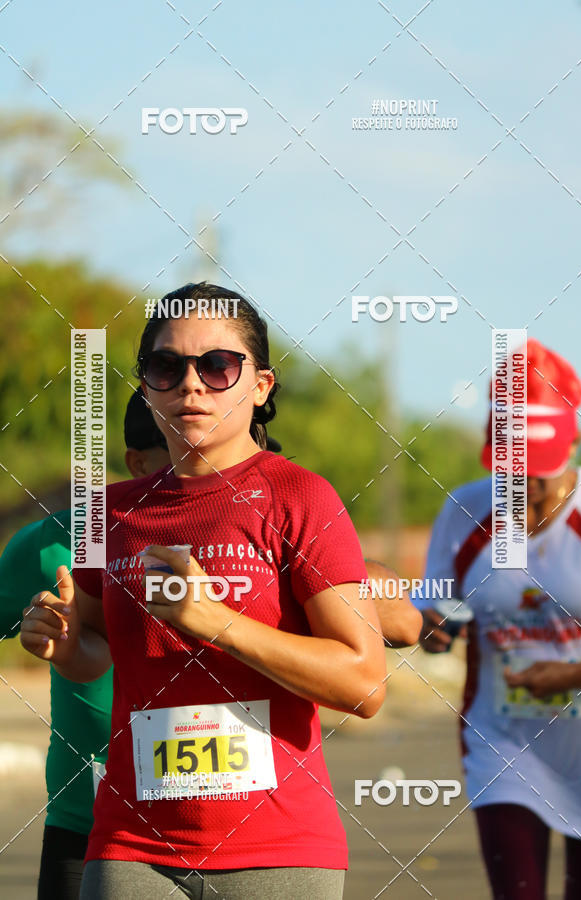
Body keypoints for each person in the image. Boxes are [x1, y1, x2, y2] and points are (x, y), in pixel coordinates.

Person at [20, 282, 387, 900]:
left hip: (278, 852)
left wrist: (216, 622)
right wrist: (58, 642)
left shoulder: (299, 497)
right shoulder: (107, 515)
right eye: (166, 366)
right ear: (145, 385)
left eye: (218, 365)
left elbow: (365, 682)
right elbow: (95, 653)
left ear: (261, 386)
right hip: (131, 845)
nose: (191, 384)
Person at [417, 338, 581, 900]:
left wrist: (570, 675)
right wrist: (434, 629)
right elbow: (430, 621)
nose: (525, 487)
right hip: (503, 740)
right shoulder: (467, 511)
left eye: (539, 470)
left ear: (570, 446)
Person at [0, 388, 170, 899]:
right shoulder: (56, 543)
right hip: (88, 827)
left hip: (243, 828)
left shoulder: (266, 528)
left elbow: (388, 616)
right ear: (136, 463)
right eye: (181, 460)